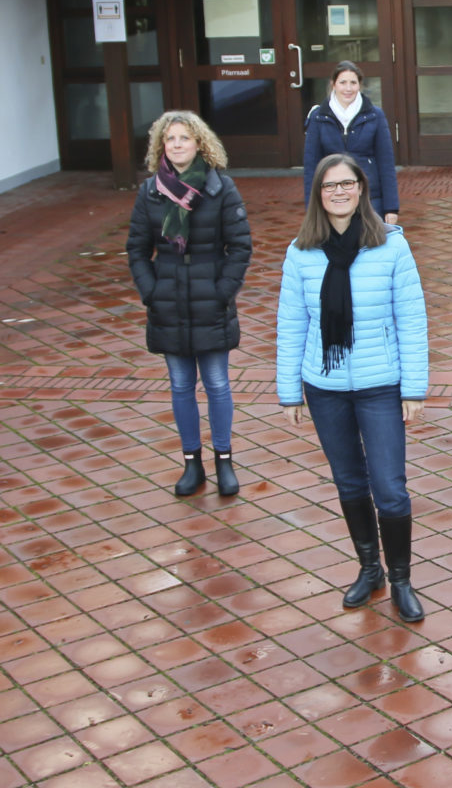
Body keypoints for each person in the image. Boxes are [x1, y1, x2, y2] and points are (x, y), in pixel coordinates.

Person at [277, 155, 431, 621]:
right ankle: (370, 569)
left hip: (380, 384)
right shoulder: (300, 252)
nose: (339, 192)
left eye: (347, 184)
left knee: (390, 488)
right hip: (323, 386)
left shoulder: (390, 247)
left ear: (361, 190)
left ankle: (401, 579)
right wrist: (289, 391)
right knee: (348, 482)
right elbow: (291, 324)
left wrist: (414, 388)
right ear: (318, 195)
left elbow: (412, 320)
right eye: (329, 186)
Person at [127, 110, 254, 497]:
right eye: (170, 139)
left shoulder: (221, 188)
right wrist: (151, 291)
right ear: (161, 147)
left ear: (199, 143)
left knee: (216, 384)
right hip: (168, 304)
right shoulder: (150, 191)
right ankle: (191, 463)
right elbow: (136, 249)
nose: (177, 145)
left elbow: (240, 247)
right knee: (181, 386)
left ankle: (224, 460)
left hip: (210, 303)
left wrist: (221, 292)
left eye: (184, 138)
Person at [302, 62, 401, 225]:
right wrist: (310, 209)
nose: (348, 88)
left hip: (370, 196)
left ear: (359, 85)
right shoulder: (318, 116)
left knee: (371, 245)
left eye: (353, 83)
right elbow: (311, 166)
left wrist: (391, 208)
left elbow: (386, 163)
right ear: (334, 84)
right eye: (343, 82)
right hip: (333, 196)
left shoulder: (375, 115)